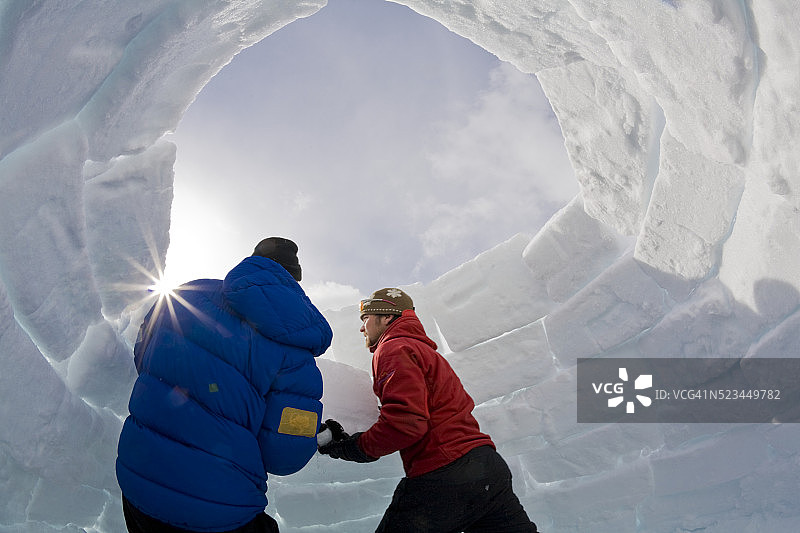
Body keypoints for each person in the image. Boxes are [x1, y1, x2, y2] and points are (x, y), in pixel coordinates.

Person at [116, 237, 333, 533]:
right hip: (219, 510)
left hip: (137, 484)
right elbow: (285, 456)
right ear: (295, 279)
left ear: (252, 260)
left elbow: (143, 356)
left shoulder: (186, 296)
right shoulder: (297, 355)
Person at [317, 288, 538, 532]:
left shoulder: (392, 349)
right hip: (487, 468)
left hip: (445, 474)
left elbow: (406, 423)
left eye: (366, 319)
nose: (362, 328)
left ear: (387, 317)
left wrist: (352, 447)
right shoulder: (428, 354)